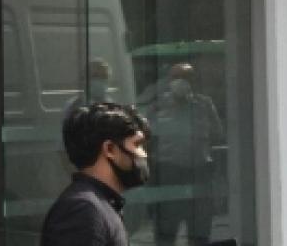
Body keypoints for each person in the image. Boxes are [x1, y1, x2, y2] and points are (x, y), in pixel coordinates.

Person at [40, 102, 151, 246]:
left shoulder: (99, 204)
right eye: (137, 145)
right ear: (110, 149)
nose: (143, 154)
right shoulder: (83, 210)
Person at [150, 63, 222, 246]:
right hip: (169, 174)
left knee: (199, 233)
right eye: (177, 77)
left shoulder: (204, 105)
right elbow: (147, 138)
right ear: (169, 81)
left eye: (186, 77)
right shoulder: (158, 106)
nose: (181, 82)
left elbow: (217, 133)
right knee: (166, 234)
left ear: (193, 81)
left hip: (199, 172)